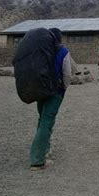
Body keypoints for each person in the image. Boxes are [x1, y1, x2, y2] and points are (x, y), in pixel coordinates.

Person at [30, 28, 73, 171]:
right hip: (55, 91)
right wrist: (64, 89)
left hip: (40, 90)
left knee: (42, 119)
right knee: (47, 121)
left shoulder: (40, 50)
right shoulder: (63, 52)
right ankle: (37, 160)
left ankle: (45, 149)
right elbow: (67, 73)